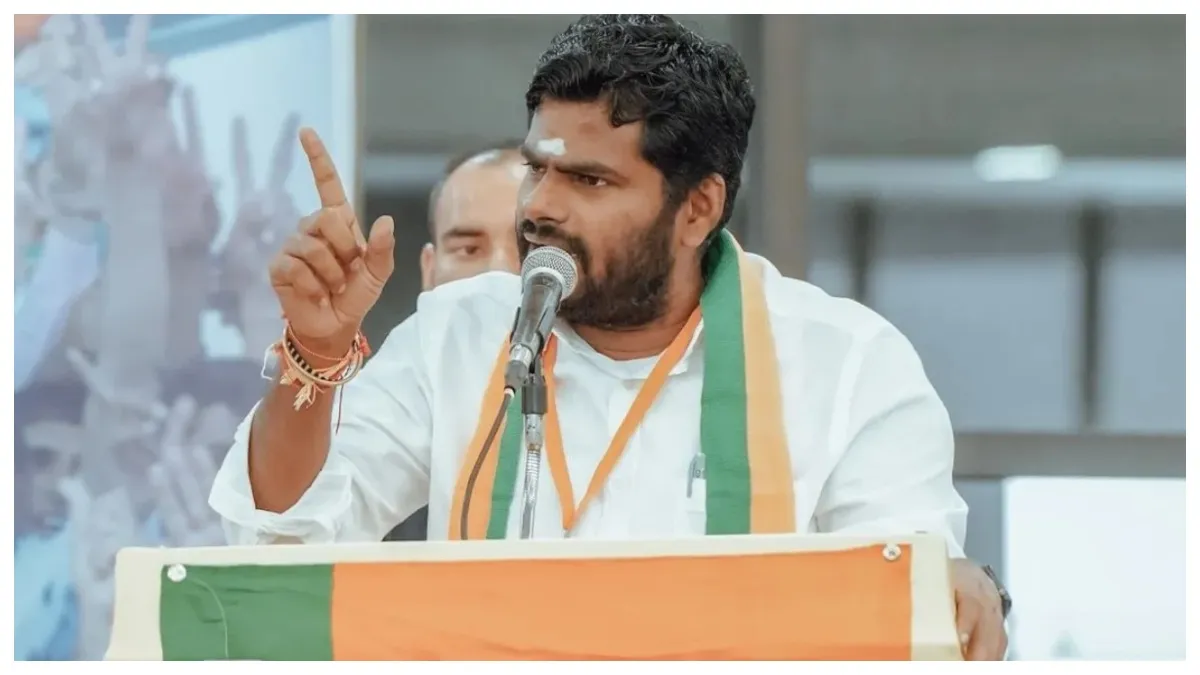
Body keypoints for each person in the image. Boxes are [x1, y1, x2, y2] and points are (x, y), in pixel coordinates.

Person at [210, 15, 1009, 660]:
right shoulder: (460, 334)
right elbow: (277, 544)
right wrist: (314, 355)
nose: (539, 207)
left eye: (589, 180)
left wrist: (951, 581)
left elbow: (901, 608)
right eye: (538, 168)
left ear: (697, 208)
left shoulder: (845, 364)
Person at [387, 142, 526, 541]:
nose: (499, 271)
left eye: (526, 247)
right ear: (429, 271)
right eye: (468, 249)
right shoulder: (393, 402)